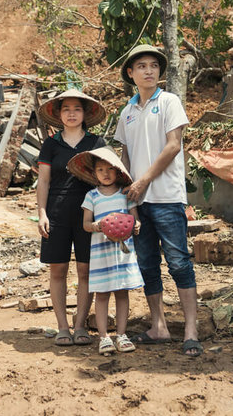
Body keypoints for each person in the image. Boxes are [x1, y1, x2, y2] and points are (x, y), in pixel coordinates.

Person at [114, 44, 203, 357]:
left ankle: (191, 330)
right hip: (138, 201)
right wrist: (129, 195)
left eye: (154, 65)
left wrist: (143, 181)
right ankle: (159, 327)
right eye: (142, 66)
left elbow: (173, 146)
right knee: (147, 264)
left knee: (179, 262)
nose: (149, 70)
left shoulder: (169, 101)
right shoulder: (127, 112)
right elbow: (125, 155)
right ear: (131, 73)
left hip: (166, 197)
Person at [36, 89, 107, 346]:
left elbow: (108, 179)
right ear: (58, 114)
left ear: (85, 113)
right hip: (56, 212)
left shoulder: (97, 143)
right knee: (58, 270)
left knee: (85, 270)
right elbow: (43, 181)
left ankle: (80, 326)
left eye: (77, 108)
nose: (72, 113)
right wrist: (42, 213)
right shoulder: (51, 144)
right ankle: (62, 327)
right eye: (66, 109)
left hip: (89, 215)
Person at [67, 146, 143, 356]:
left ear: (118, 172)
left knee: (122, 293)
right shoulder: (92, 196)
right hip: (101, 252)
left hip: (123, 252)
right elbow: (85, 224)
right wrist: (97, 226)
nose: (106, 174)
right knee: (101, 294)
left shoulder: (126, 195)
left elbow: (136, 218)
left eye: (110, 169)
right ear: (94, 174)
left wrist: (136, 225)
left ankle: (121, 334)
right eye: (101, 170)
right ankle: (103, 337)